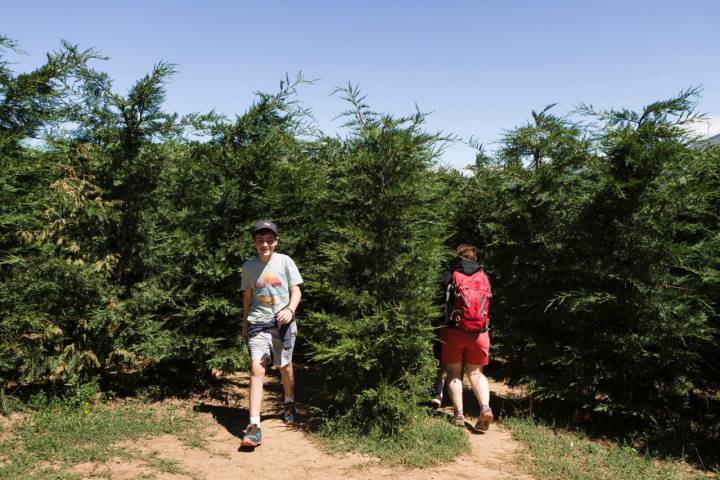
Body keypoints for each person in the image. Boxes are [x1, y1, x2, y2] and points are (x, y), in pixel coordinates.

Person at [240, 220, 303, 448]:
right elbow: (248, 296)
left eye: (269, 240)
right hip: (257, 323)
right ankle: (254, 426)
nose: (264, 244)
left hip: (283, 324)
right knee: (257, 367)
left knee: (284, 367)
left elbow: (296, 291)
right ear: (254, 243)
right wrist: (244, 322)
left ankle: (288, 403)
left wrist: (289, 309)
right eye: (260, 240)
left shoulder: (285, 262)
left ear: (275, 241)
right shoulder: (248, 267)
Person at [439, 244, 494, 431]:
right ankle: (485, 407)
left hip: (453, 330)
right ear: (475, 258)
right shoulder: (484, 276)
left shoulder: (450, 275)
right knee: (476, 372)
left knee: (454, 372)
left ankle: (459, 414)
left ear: (458, 257)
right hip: (479, 332)